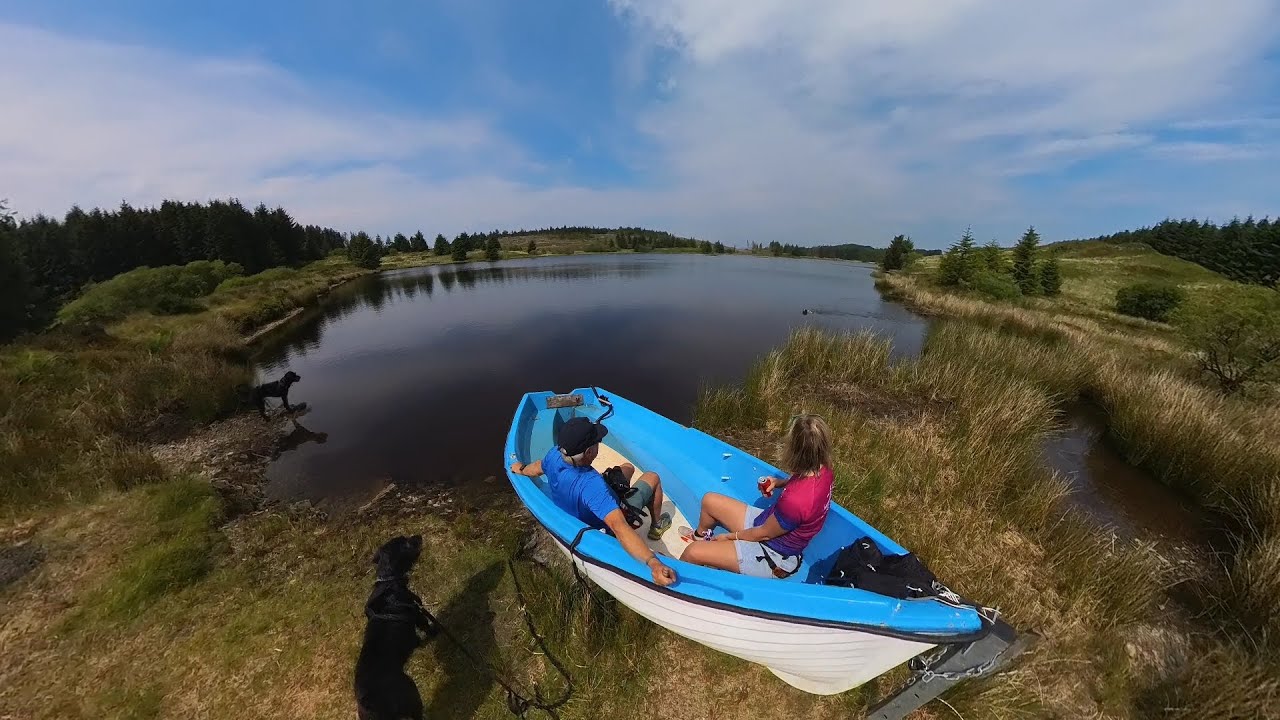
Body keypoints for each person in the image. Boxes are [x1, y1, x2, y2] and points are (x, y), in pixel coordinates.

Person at [510, 417, 676, 587]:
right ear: (589, 452)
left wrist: (521, 469)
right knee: (653, 477)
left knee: (628, 467)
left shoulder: (555, 454)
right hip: (602, 521)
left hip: (578, 507)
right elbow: (619, 527)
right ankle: (656, 527)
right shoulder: (592, 485)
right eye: (597, 442)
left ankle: (625, 490)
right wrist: (653, 562)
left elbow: (538, 467)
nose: (599, 444)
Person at [679, 414, 834, 579]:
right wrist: (779, 482)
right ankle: (698, 538)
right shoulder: (824, 469)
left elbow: (763, 534)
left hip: (774, 552)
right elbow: (802, 484)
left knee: (692, 553)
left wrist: (729, 538)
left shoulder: (796, 502)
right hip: (768, 522)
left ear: (796, 451)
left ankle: (677, 577)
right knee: (710, 501)